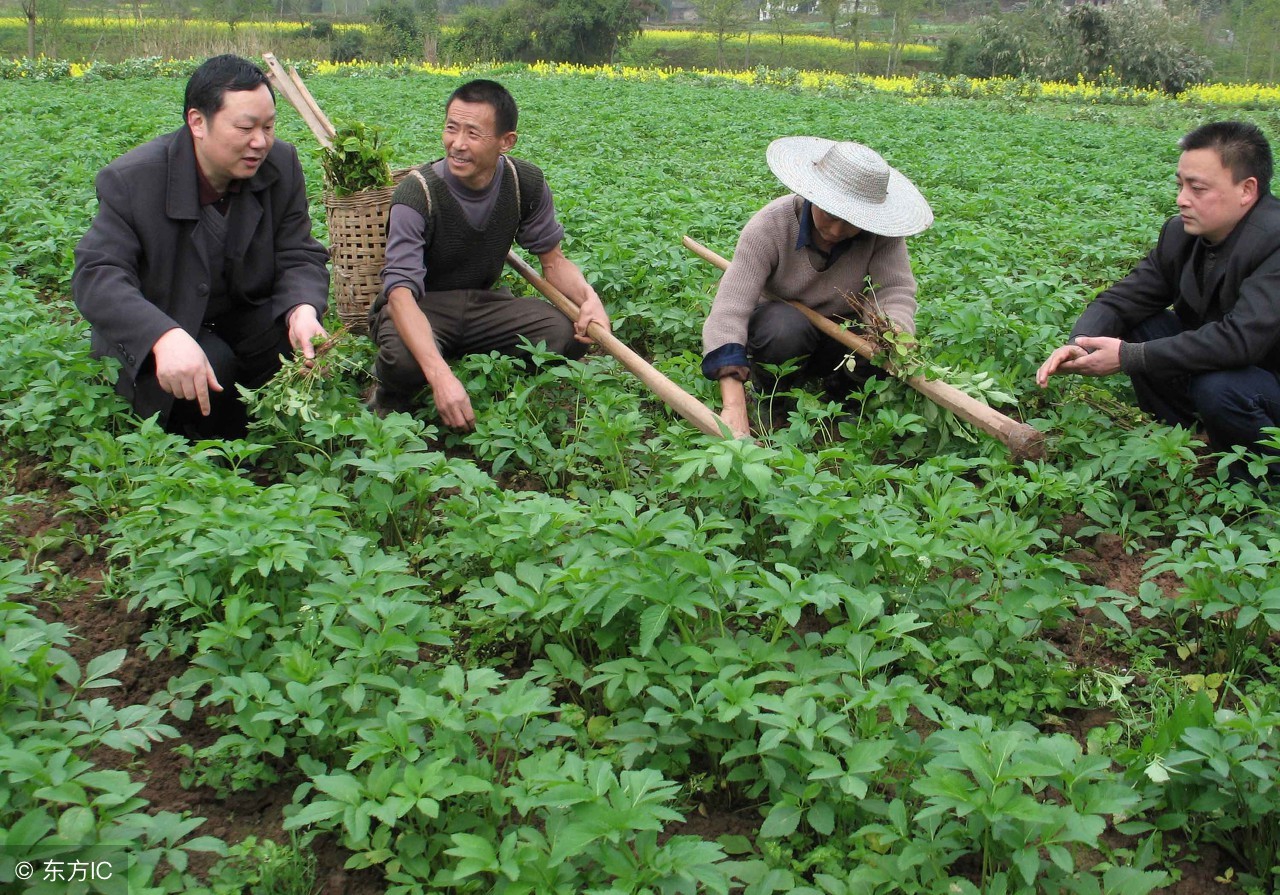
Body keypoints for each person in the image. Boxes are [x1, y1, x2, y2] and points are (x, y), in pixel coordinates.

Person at [72, 54, 330, 440]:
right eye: (245, 127)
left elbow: (299, 252)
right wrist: (162, 335)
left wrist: (303, 309)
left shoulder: (280, 165)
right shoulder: (133, 180)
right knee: (213, 368)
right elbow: (97, 274)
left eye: (269, 127)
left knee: (294, 346)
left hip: (238, 314)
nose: (259, 142)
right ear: (197, 122)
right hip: (167, 318)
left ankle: (268, 441)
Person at [369, 78, 610, 430]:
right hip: (422, 306)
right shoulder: (417, 194)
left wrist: (590, 298)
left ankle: (479, 371)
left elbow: (553, 262)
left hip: (483, 304)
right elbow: (401, 294)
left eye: (473, 133)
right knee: (404, 361)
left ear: (506, 141)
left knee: (563, 333)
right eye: (451, 129)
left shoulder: (524, 182)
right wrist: (440, 378)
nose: (458, 144)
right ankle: (388, 397)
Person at [1036, 121, 1280, 469]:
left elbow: (1242, 340)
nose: (1182, 199)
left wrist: (1130, 357)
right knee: (1141, 325)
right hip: (1229, 371)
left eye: (1197, 189)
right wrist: (1082, 341)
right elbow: (1123, 300)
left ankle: (1257, 477)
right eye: (1180, 185)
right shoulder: (1181, 234)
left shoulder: (1275, 240)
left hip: (1265, 382)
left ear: (1247, 189)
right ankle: (1187, 439)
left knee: (1219, 387)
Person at [701, 137, 934, 438]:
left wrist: (893, 331)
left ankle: (842, 398)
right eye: (830, 215)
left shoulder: (881, 237)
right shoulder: (770, 226)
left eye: (851, 221)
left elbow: (894, 289)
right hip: (780, 335)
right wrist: (733, 403)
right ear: (814, 196)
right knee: (784, 326)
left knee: (879, 339)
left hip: (839, 338)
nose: (836, 231)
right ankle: (774, 399)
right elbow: (729, 310)